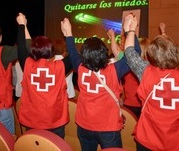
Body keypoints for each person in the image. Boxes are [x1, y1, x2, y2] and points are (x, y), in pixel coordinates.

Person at [60, 17, 141, 151]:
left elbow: (73, 52)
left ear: (84, 54)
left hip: (84, 126)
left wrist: (68, 33)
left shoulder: (80, 66)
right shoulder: (114, 70)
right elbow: (135, 55)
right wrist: (130, 30)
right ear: (104, 53)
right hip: (108, 128)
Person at [124, 16, 179, 151]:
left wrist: (131, 30)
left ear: (152, 56)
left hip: (147, 140)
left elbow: (129, 53)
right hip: (178, 143)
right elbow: (168, 52)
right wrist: (163, 34)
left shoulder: (146, 72)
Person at [16, 14, 73, 139]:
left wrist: (22, 25)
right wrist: (68, 32)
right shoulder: (59, 67)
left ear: (33, 51)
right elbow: (73, 56)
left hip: (31, 121)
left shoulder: (27, 65)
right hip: (55, 122)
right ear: (51, 50)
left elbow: (21, 47)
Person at [0, 14, 31, 135]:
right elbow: (27, 46)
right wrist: (23, 25)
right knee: (6, 143)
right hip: (0, 107)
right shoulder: (2, 53)